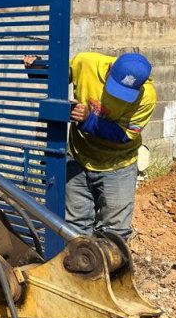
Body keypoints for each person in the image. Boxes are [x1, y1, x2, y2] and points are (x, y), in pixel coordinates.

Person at [23, 51, 156, 240]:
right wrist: (38, 68)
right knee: (75, 225)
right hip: (79, 159)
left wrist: (88, 120)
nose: (118, 95)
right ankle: (79, 267)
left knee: (115, 232)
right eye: (115, 87)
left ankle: (108, 269)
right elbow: (59, 76)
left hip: (118, 167)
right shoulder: (86, 63)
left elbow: (123, 136)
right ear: (110, 69)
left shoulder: (147, 98)